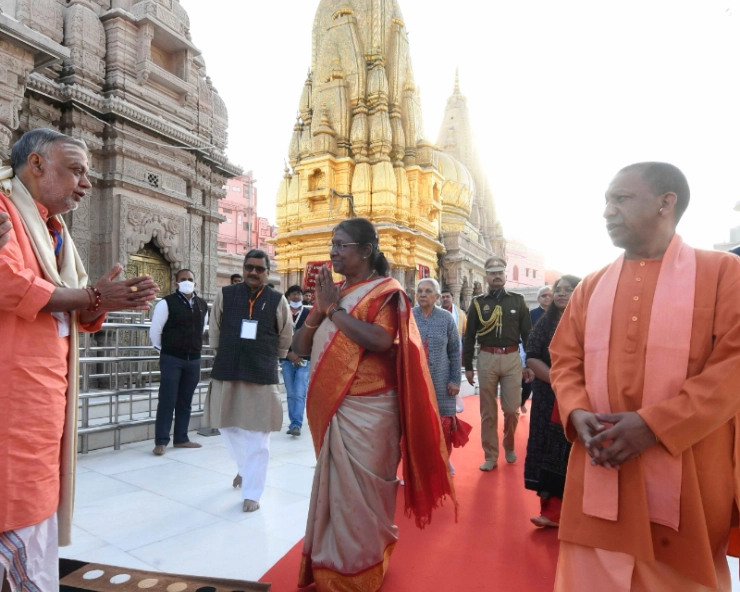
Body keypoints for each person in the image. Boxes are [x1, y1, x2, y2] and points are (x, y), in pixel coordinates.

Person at [550, 162, 740, 591]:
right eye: (606, 202)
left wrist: (655, 426)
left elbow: (734, 367)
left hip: (688, 467)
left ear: (665, 203)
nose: (607, 212)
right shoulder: (591, 286)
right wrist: (576, 409)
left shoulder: (723, 274)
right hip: (598, 456)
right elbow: (564, 357)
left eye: (620, 199)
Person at [0, 129, 158, 592]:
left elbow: (77, 309)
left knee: (39, 497)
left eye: (87, 172)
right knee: (15, 497)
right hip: (12, 393)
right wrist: (90, 294)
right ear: (35, 165)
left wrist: (105, 301)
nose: (85, 183)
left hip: (47, 395)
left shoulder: (56, 230)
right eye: (75, 170)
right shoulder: (6, 210)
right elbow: (9, 283)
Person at [293, 217, 454, 592]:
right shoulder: (333, 295)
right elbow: (299, 349)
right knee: (336, 493)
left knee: (363, 495)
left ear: (366, 250)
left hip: (372, 410)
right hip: (336, 408)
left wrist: (334, 311)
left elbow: (381, 341)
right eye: (332, 244)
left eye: (341, 244)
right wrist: (319, 311)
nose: (333, 251)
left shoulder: (385, 291)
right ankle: (331, 566)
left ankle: (362, 569)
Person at [205, 249, 292, 513]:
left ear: (268, 272)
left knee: (258, 433)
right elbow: (215, 327)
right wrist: (221, 352)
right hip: (229, 366)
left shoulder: (278, 300)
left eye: (259, 269)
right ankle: (245, 468)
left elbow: (286, 334)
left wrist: (272, 357)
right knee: (226, 425)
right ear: (243, 269)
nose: (253, 272)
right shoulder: (226, 294)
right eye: (249, 267)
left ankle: (252, 492)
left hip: (260, 370)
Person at [463, 256, 534, 471]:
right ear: (486, 276)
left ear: (505, 275)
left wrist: (528, 362)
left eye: (500, 272)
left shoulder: (518, 301)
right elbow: (470, 336)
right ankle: (490, 455)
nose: (496, 276)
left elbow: (527, 334)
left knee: (512, 409)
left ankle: (509, 444)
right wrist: (468, 366)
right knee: (488, 411)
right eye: (492, 272)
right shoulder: (478, 302)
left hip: (512, 358)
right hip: (486, 357)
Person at [523, 275, 581, 528]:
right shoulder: (544, 326)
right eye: (559, 289)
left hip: (580, 394)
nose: (561, 294)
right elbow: (533, 357)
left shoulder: (590, 322)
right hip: (549, 395)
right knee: (549, 449)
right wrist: (558, 382)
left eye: (568, 290)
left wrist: (572, 385)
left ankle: (576, 512)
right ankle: (551, 512)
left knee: (574, 451)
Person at [149, 269, 209, 455]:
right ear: (176, 283)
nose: (187, 282)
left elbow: (201, 329)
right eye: (183, 280)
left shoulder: (202, 304)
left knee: (185, 400)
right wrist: (165, 350)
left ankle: (181, 438)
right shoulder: (166, 303)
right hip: (172, 358)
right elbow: (155, 332)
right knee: (167, 399)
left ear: (195, 284)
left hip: (193, 359)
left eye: (190, 279)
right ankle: (161, 441)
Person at [413, 279, 461, 473]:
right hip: (415, 380)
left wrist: (455, 380)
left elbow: (455, 352)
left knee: (443, 425)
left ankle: (442, 461)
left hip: (441, 382)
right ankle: (416, 468)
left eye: (428, 291)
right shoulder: (408, 316)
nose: (423, 294)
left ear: (437, 297)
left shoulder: (446, 318)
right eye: (419, 291)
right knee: (416, 425)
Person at [281, 285, 311, 436]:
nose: (297, 296)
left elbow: (313, 335)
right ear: (288, 297)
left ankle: (296, 424)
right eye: (293, 294)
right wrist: (288, 354)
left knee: (299, 392)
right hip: (287, 359)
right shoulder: (283, 312)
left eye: (299, 294)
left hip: (305, 360)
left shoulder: (309, 313)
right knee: (291, 393)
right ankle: (293, 421)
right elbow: (277, 335)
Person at [520, 285, 552, 414]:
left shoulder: (561, 314)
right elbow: (525, 336)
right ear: (538, 298)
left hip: (552, 357)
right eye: (544, 295)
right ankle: (522, 402)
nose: (547, 298)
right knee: (527, 384)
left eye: (550, 295)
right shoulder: (531, 314)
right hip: (534, 356)